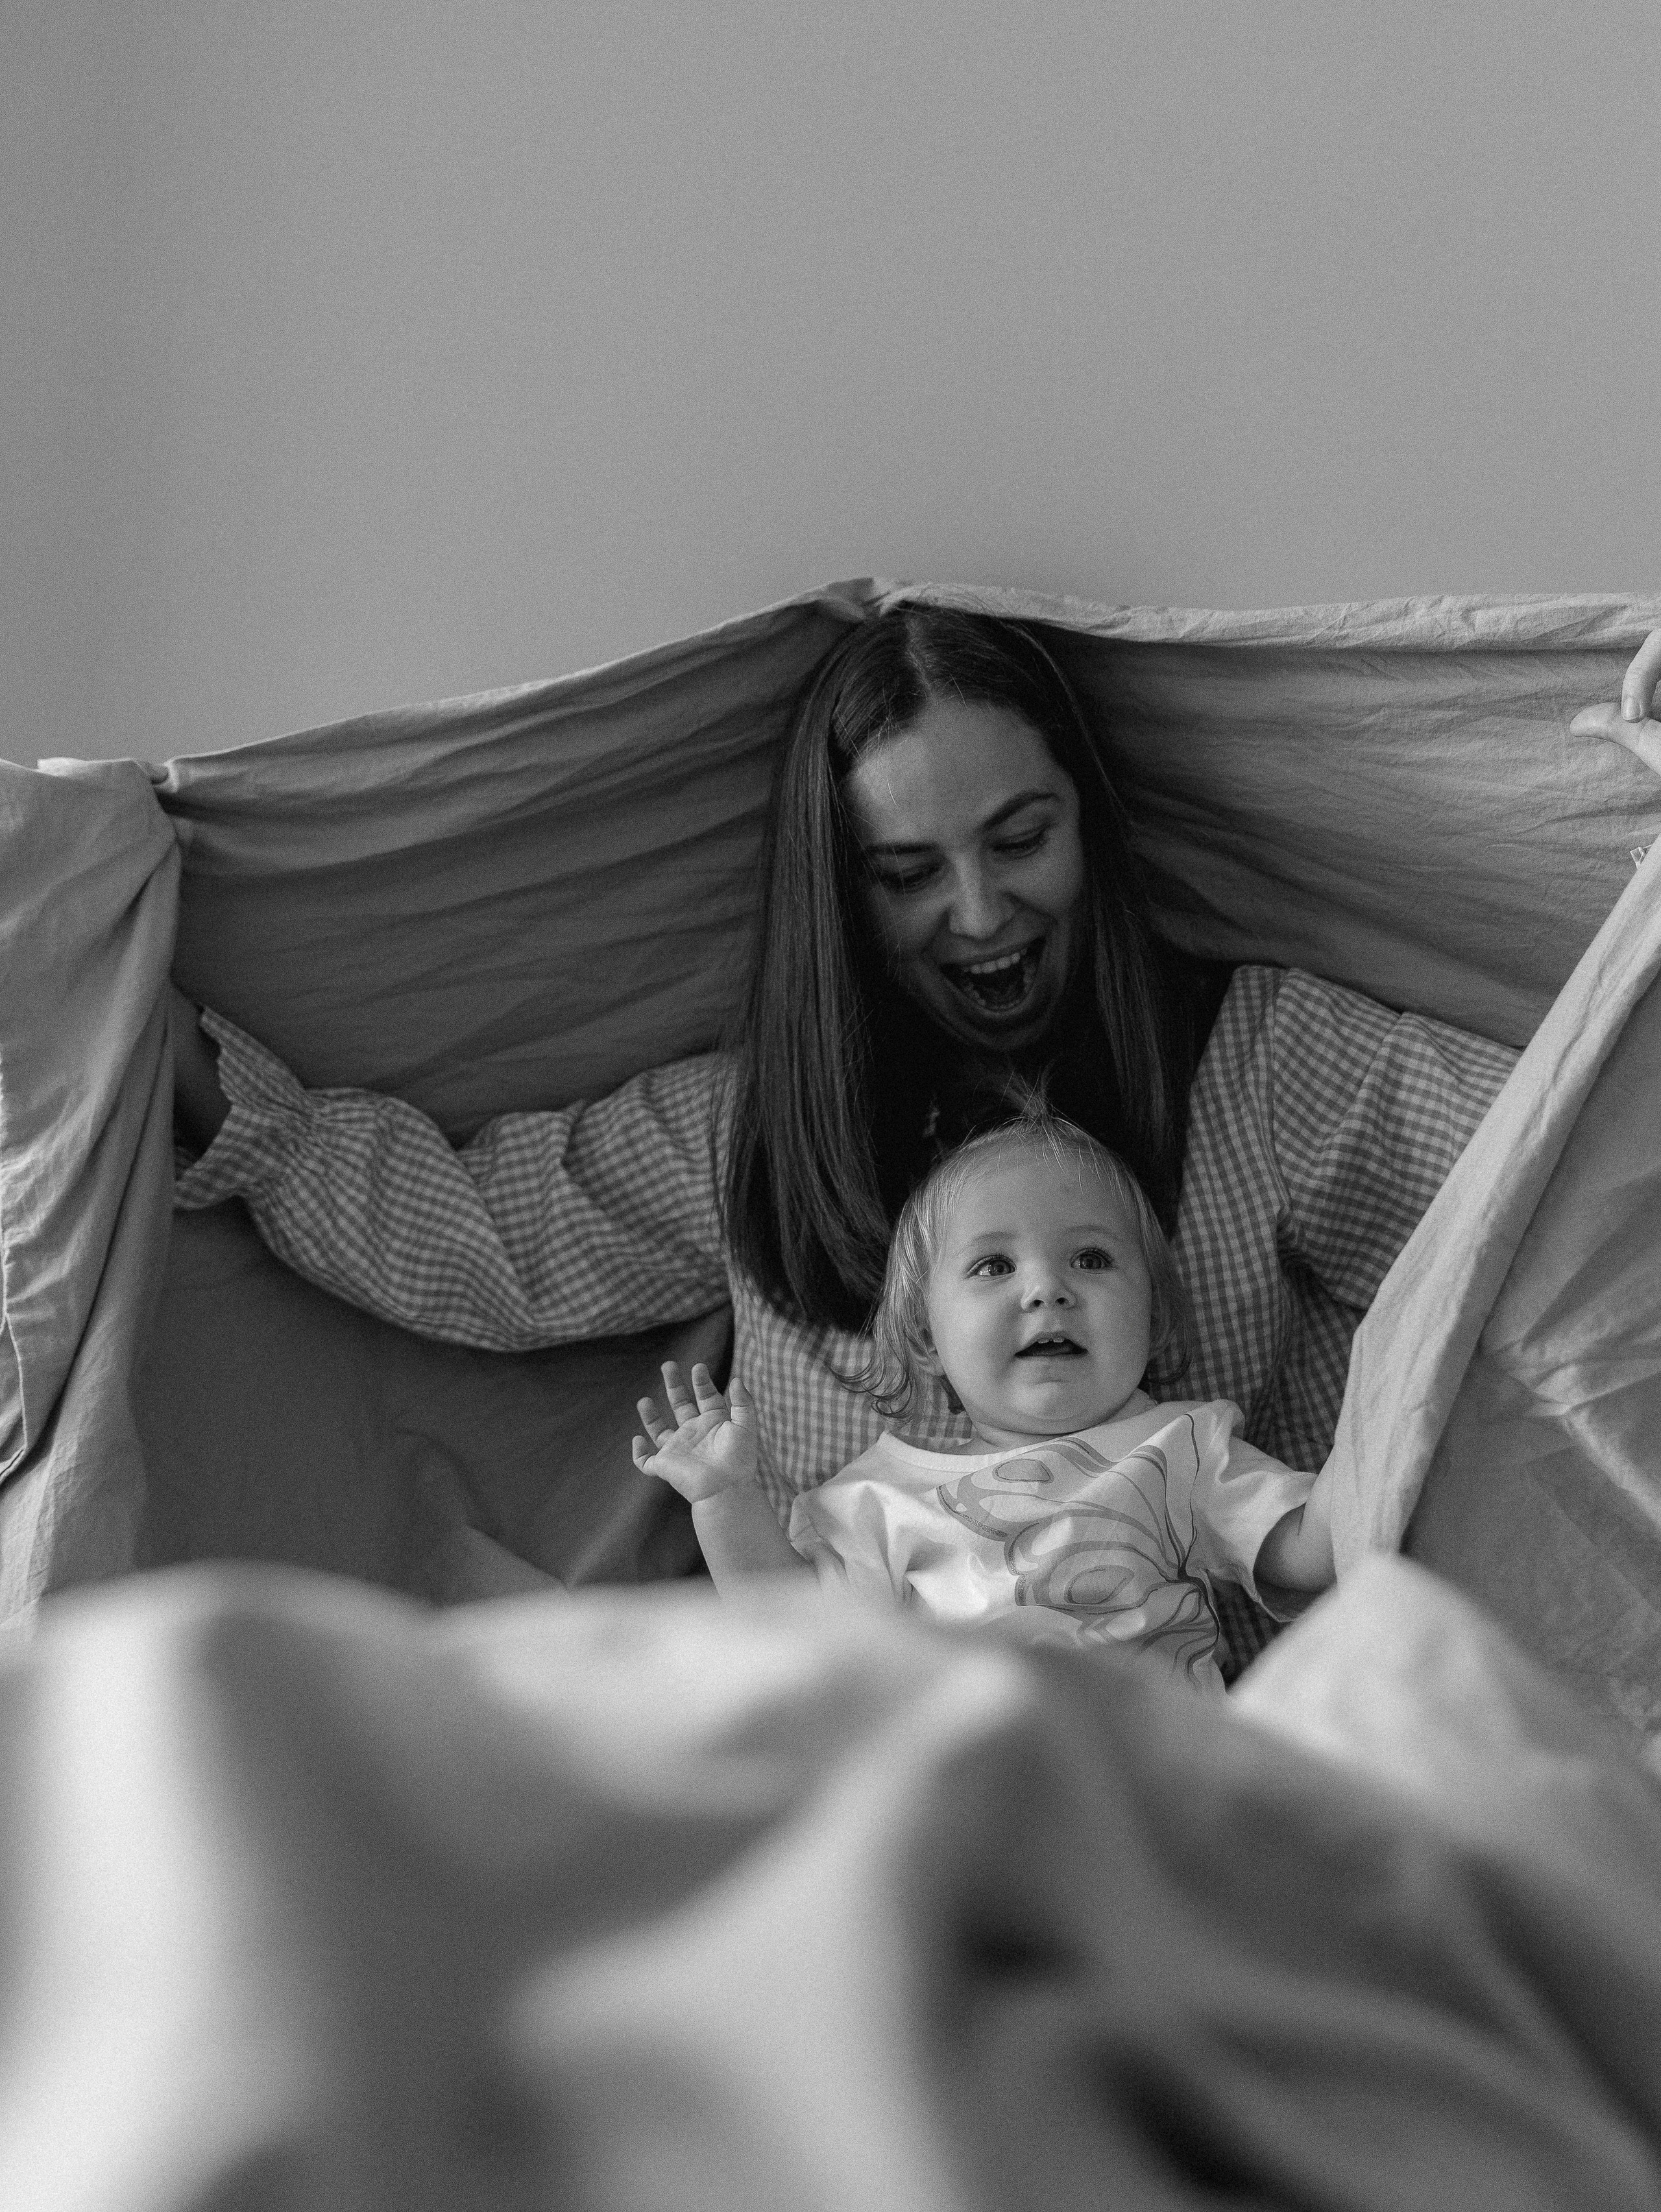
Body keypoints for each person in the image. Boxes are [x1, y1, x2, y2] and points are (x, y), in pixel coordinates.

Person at [174, 601, 1615, 1666]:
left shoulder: (1255, 1064)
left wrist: (1640, 827)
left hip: (1171, 1768)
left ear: (1089, 832)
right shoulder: (758, 1131)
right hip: (868, 1764)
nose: (978, 915)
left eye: (1018, 840)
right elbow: (489, 1246)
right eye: (910, 872)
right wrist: (206, 1087)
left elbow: (1554, 1166)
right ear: (843, 892)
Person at [631, 1110, 1334, 1695]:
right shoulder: (878, 1498)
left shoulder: (1182, 1446)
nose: (1045, 1289)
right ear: (927, 1339)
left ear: (1151, 1319)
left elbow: (1310, 1549)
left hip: (1151, 1781)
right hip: (973, 1780)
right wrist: (723, 1496)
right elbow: (793, 1632)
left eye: (1091, 1258)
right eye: (994, 1265)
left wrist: (1385, 1404)